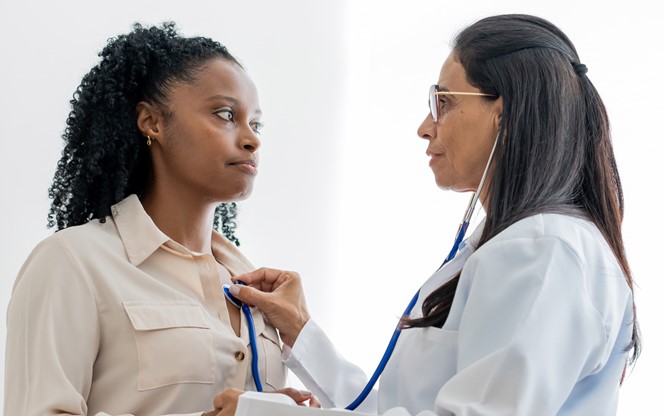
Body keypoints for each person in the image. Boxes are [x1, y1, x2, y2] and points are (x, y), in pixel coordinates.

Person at [218, 14, 641, 416]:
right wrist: (300, 330)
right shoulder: (515, 246)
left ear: (505, 113)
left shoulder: (544, 251)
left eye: (444, 101)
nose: (425, 125)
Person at [4, 22, 317, 416]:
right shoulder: (72, 263)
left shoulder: (256, 288)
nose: (252, 139)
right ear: (152, 122)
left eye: (256, 124)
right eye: (225, 114)